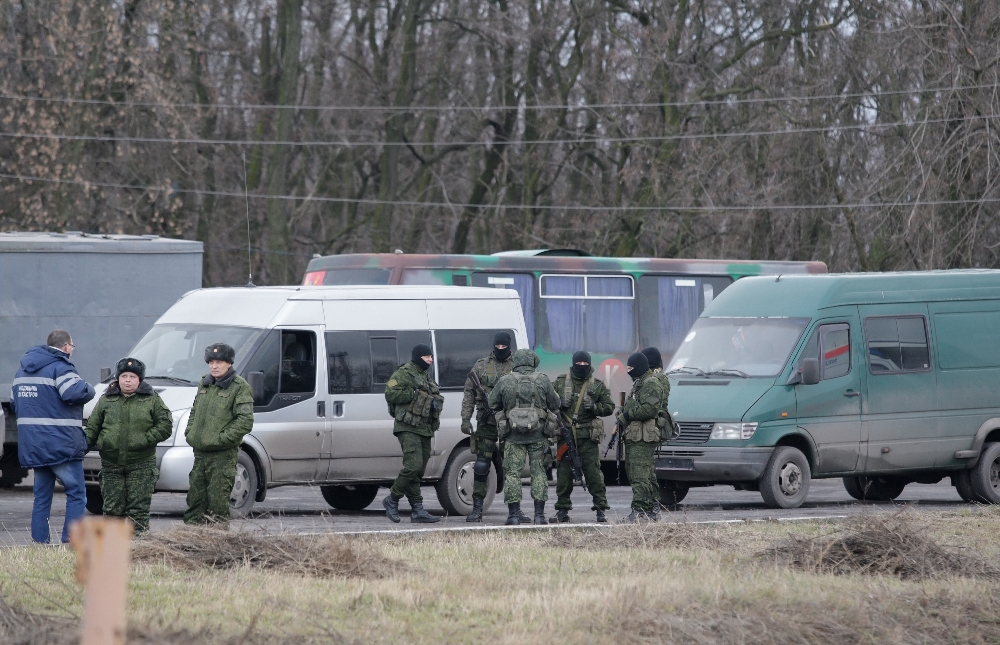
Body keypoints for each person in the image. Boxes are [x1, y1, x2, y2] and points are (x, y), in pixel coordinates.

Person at [10, 330, 95, 543]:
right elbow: (74, 393)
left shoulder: (22, 371)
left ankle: (40, 542)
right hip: (61, 444)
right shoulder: (62, 367)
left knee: (41, 497)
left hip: (34, 445)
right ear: (66, 347)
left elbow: (14, 403)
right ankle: (71, 541)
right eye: (72, 346)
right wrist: (90, 388)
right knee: (76, 493)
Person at [84, 358, 172, 534]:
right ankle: (112, 551)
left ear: (139, 380)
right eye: (124, 376)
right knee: (112, 511)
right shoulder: (106, 400)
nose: (128, 380)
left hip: (141, 465)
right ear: (118, 378)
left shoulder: (152, 399)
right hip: (111, 465)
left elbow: (165, 425)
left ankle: (138, 550)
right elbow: (93, 427)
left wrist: (146, 439)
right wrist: (82, 447)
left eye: (132, 376)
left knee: (137, 511)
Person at [183, 343, 255, 528]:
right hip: (200, 453)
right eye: (211, 362)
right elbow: (195, 411)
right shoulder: (205, 383)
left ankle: (217, 545)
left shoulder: (239, 387)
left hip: (222, 456)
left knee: (218, 503)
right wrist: (190, 433)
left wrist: (221, 440)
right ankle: (190, 544)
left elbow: (244, 421)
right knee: (195, 501)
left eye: (219, 362)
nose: (214, 366)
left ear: (229, 364)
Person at [488, 349, 560, 526]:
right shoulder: (542, 379)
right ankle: (539, 516)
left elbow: (492, 403)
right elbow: (555, 403)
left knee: (512, 474)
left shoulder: (505, 380)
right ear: (533, 361)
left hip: (513, 436)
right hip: (539, 435)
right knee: (539, 473)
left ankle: (513, 516)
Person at [382, 343, 445, 524]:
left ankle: (417, 510)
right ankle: (392, 499)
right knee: (413, 465)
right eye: (427, 357)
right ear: (418, 357)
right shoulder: (404, 373)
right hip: (407, 427)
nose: (430, 360)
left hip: (424, 428)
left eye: (431, 357)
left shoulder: (425, 376)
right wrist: (415, 395)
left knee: (418, 471)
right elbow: (390, 392)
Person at [551, 351, 615, 523]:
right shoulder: (560, 383)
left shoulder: (597, 385)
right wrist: (559, 403)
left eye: (584, 364)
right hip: (565, 435)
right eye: (578, 364)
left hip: (587, 437)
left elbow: (609, 407)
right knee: (564, 477)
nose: (581, 367)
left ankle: (601, 509)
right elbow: (546, 402)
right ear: (573, 364)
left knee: (594, 475)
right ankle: (562, 510)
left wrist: (595, 407)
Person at [460, 332, 514, 522]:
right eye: (497, 346)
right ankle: (477, 509)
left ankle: (514, 510)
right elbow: (469, 393)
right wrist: (465, 419)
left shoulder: (516, 366)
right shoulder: (481, 365)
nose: (500, 350)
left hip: (510, 423)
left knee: (511, 467)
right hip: (486, 421)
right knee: (482, 465)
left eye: (503, 347)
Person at [616, 351, 667, 522]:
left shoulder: (650, 383)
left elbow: (649, 409)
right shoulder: (640, 383)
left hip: (643, 436)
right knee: (640, 473)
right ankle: (650, 509)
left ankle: (640, 511)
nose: (629, 371)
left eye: (631, 368)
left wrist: (627, 416)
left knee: (640, 474)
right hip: (636, 435)